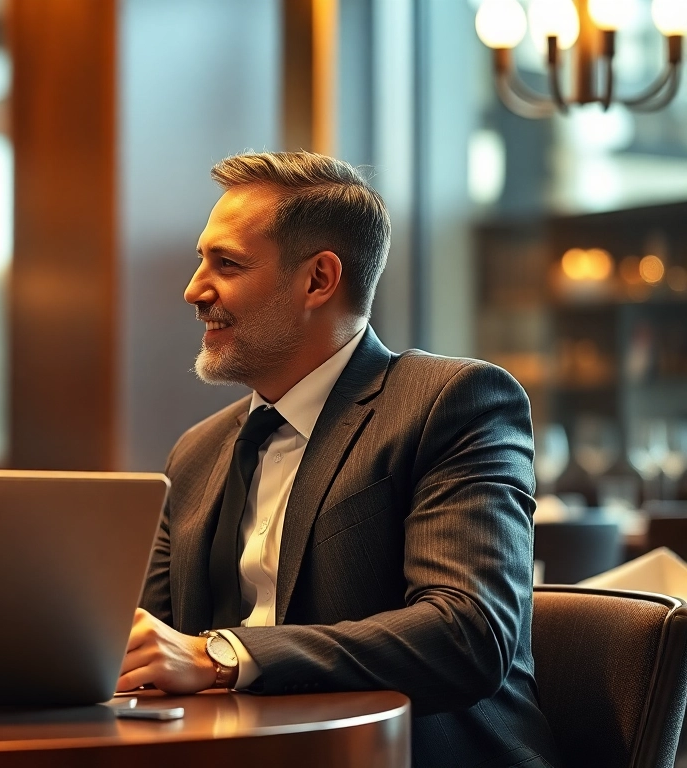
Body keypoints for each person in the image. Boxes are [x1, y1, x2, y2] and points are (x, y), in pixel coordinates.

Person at [122, 151, 559, 767]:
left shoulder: (449, 404)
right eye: (202, 261)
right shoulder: (197, 452)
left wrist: (221, 656)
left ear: (319, 280)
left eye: (226, 263)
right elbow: (148, 646)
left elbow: (466, 634)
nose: (194, 289)